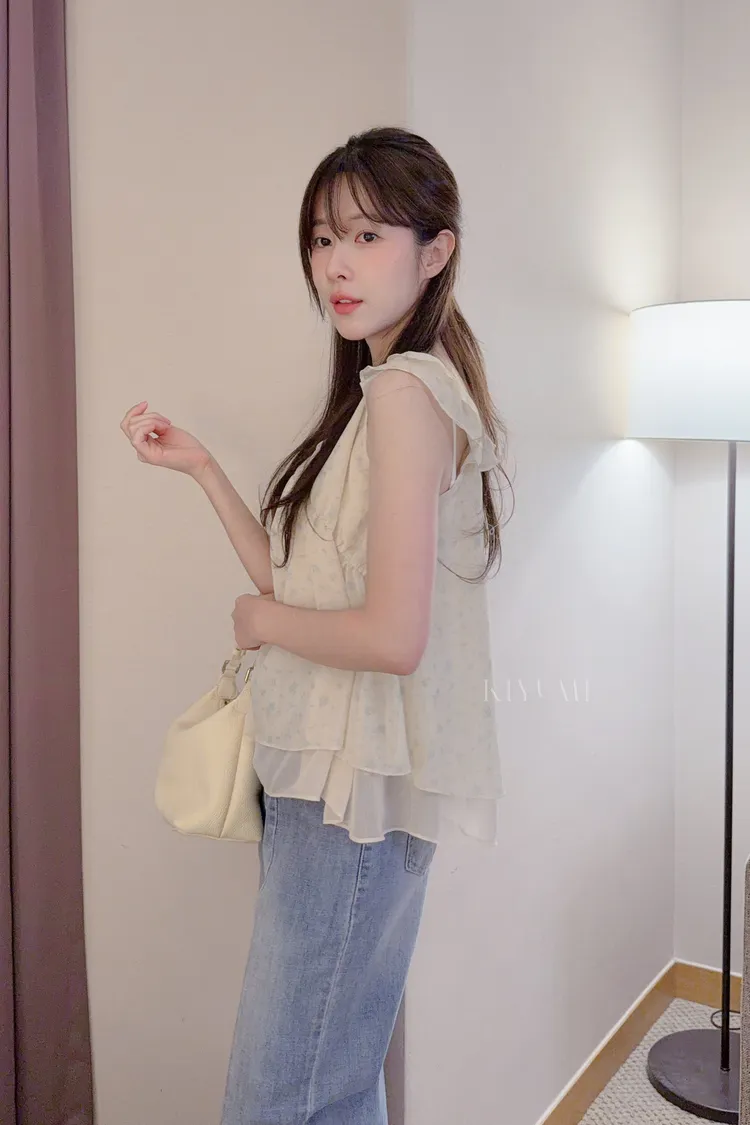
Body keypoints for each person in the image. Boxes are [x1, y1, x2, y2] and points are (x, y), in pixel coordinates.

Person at [120, 126, 512, 1125]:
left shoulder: (404, 393)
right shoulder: (390, 392)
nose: (336, 264)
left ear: (436, 250)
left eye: (368, 236)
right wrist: (204, 469)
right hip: (340, 790)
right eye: (324, 238)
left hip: (349, 804)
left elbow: (391, 638)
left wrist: (259, 620)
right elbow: (303, 585)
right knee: (334, 1085)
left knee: (277, 1096)